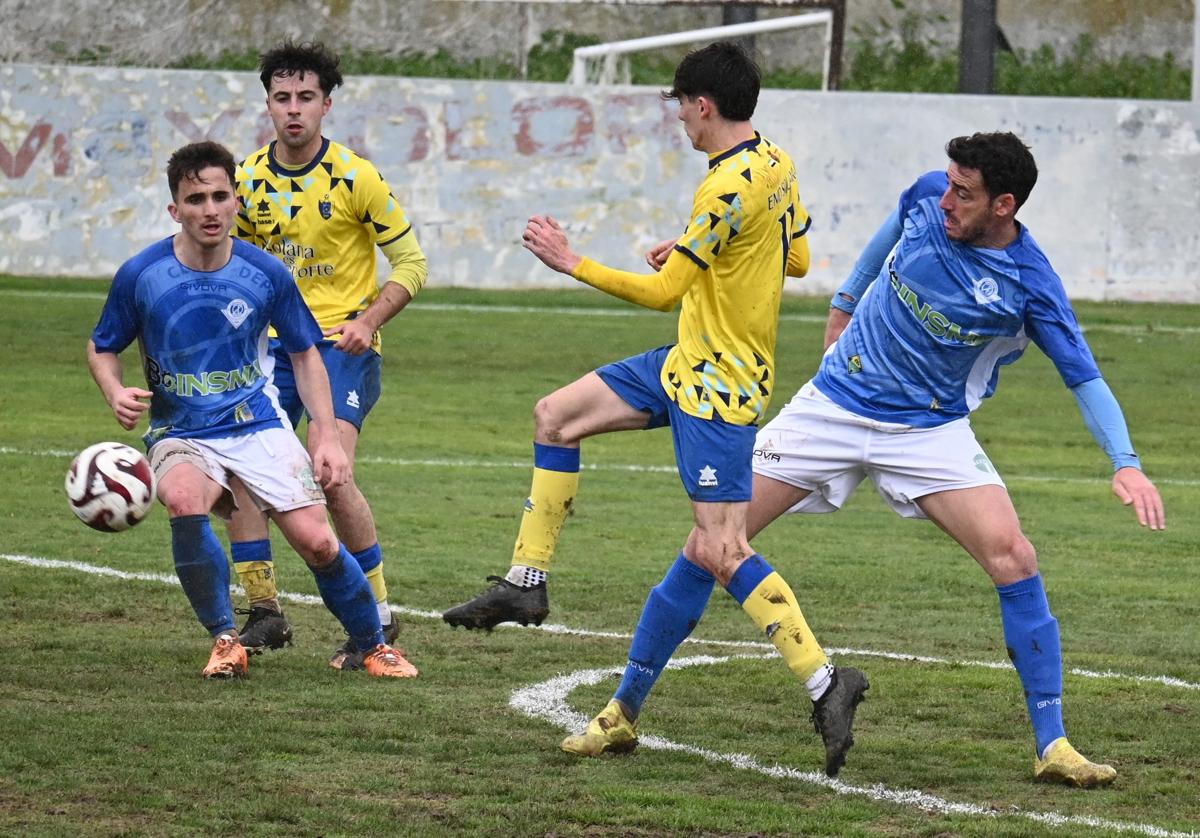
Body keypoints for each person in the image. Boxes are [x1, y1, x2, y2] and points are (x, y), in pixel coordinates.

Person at [443, 42, 869, 777]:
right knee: (556, 416)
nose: (678, 120)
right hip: (684, 363)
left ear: (702, 104)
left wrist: (571, 261)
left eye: (680, 106)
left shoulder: (724, 186)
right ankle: (527, 584)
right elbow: (794, 258)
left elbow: (665, 291)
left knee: (721, 551)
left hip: (718, 388)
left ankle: (827, 680)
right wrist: (707, 247)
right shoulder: (776, 162)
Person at [747, 131, 1166, 787]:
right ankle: (623, 710)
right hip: (831, 405)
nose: (946, 199)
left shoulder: (1029, 284)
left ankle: (1053, 746)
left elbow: (1083, 376)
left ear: (1004, 205)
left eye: (963, 193)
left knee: (1015, 556)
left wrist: (1126, 460)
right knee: (712, 538)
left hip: (928, 430)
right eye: (948, 183)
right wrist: (844, 303)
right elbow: (887, 233)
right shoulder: (926, 199)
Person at [86, 141, 418, 679]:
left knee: (316, 540)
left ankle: (371, 644)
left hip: (256, 421)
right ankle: (225, 639)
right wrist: (114, 389)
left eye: (221, 196)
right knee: (183, 500)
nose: (210, 209)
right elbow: (102, 345)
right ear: (176, 210)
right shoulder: (141, 274)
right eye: (196, 199)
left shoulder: (265, 272)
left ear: (237, 201)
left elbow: (306, 352)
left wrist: (327, 436)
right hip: (182, 428)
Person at [229, 40, 428, 671]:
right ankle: (264, 612)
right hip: (267, 354)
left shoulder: (355, 176)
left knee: (331, 472)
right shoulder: (245, 181)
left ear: (326, 105)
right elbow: (227, 268)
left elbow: (413, 263)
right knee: (241, 472)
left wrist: (369, 320)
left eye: (305, 98)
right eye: (282, 98)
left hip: (340, 348)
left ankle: (378, 611)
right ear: (268, 105)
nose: (294, 110)